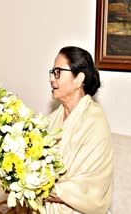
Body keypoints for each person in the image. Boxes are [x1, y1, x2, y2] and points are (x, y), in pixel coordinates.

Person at [43, 46, 113, 213]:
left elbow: (85, 189)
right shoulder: (51, 120)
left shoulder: (94, 122)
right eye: (52, 72)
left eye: (58, 72)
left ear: (78, 79)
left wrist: (33, 184)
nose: (52, 78)